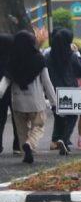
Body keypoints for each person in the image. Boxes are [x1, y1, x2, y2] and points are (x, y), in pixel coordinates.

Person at [0, 30, 57, 163]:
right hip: (36, 102)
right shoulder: (39, 59)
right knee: (38, 126)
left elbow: (5, 82)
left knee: (22, 131)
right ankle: (30, 144)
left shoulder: (12, 61)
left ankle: (24, 150)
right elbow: (47, 83)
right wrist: (54, 102)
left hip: (18, 102)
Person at [44, 27, 80, 155]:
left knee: (58, 115)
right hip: (70, 90)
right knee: (72, 116)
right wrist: (78, 54)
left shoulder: (48, 56)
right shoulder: (72, 56)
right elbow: (79, 70)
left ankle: (55, 139)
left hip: (54, 90)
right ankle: (64, 139)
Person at [0, 35, 18, 154]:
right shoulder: (14, 59)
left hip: (1, 93)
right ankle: (17, 145)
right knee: (17, 118)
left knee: (0, 118)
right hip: (14, 91)